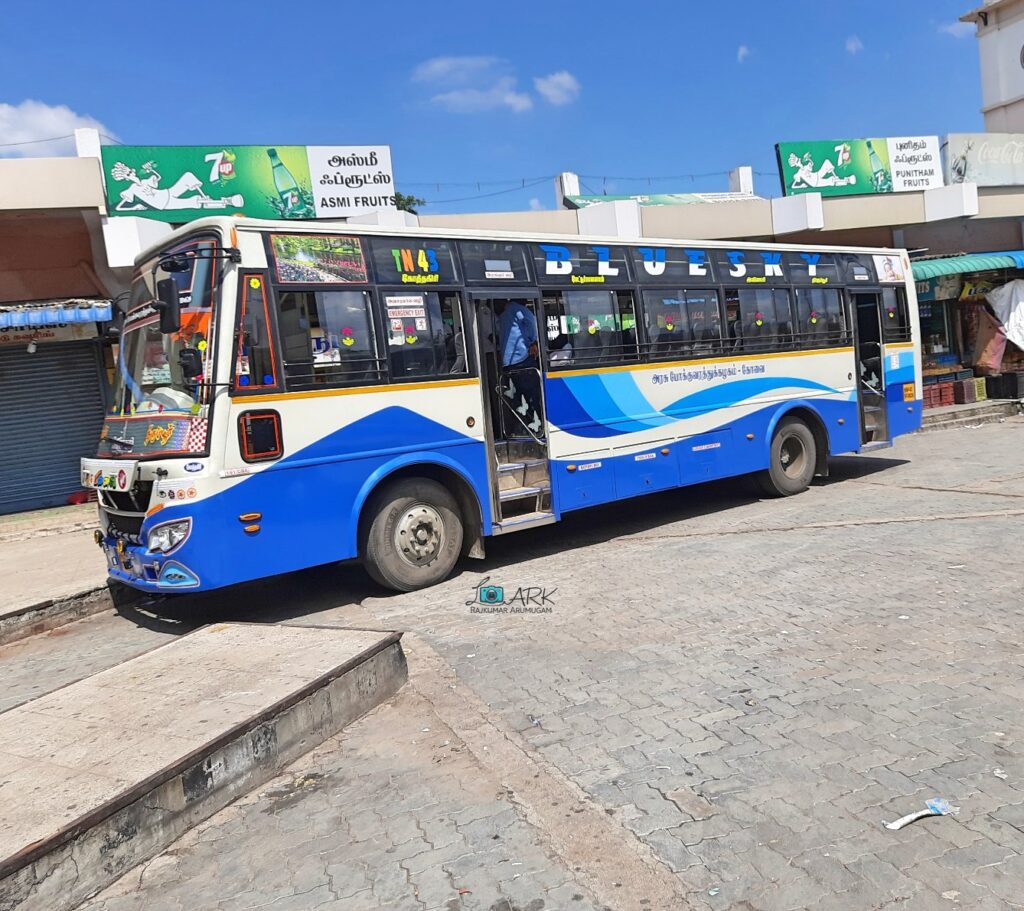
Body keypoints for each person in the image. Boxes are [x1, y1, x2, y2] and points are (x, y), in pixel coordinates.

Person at [495, 299, 543, 435]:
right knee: (534, 396)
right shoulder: (517, 309)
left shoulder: (502, 315)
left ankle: (525, 427)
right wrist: (533, 341)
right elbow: (531, 321)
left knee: (518, 399)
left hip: (507, 363)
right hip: (522, 358)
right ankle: (538, 427)